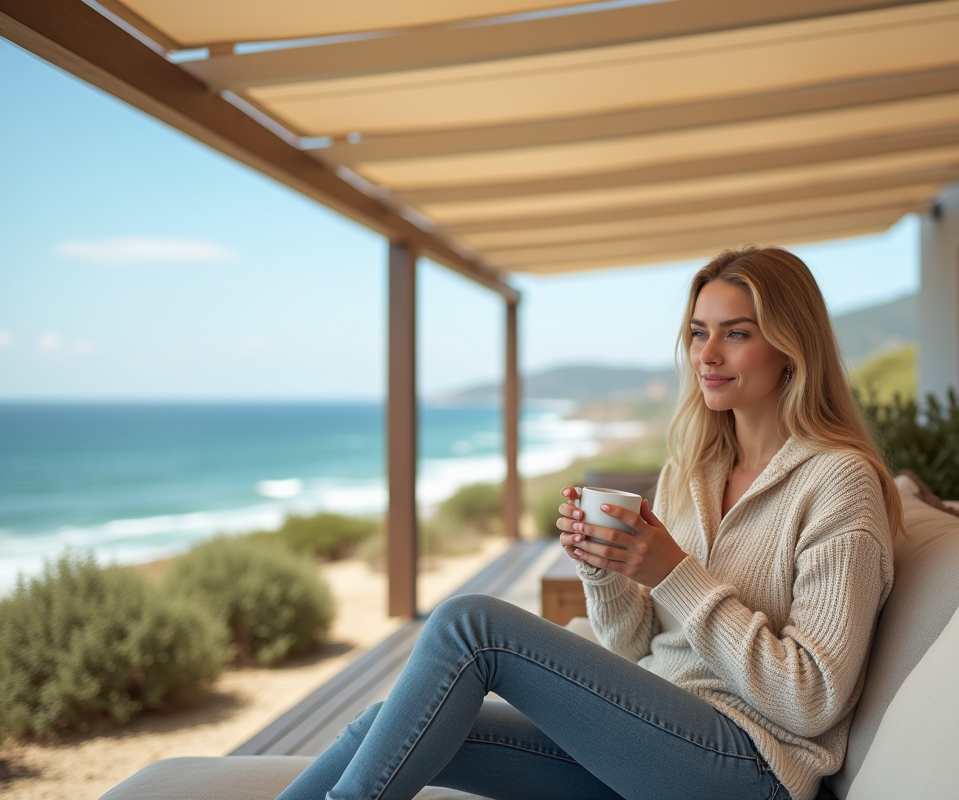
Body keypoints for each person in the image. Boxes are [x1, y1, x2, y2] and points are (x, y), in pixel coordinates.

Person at [275, 246, 901, 800]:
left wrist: (674, 573)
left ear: (792, 349)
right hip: (648, 746)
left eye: (735, 334)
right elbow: (634, 648)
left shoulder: (838, 483)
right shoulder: (695, 470)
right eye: (697, 332)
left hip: (748, 769)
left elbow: (813, 698)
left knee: (472, 628)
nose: (706, 354)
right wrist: (605, 572)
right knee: (390, 722)